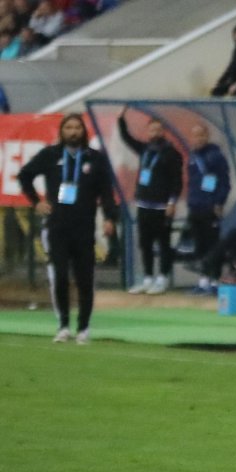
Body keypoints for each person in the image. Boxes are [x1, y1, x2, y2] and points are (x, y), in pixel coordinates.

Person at [17, 113, 117, 344]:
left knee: (85, 279)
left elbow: (106, 191)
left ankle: (83, 327)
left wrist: (110, 218)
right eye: (68, 127)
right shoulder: (50, 155)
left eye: (77, 128)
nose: (73, 132)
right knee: (60, 277)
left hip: (84, 227)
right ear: (61, 131)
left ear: (83, 131)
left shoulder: (95, 158)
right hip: (57, 227)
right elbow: (25, 175)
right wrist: (36, 201)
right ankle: (63, 325)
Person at [118, 109, 183, 295]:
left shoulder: (171, 153)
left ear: (164, 132)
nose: (155, 133)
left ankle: (162, 277)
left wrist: (172, 202)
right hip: (144, 204)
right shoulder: (145, 149)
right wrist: (121, 120)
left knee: (163, 242)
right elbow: (127, 138)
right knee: (145, 243)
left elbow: (177, 180)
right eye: (152, 130)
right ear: (148, 132)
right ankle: (147, 277)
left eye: (158, 130)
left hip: (162, 206)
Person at [184, 124, 231, 294]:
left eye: (201, 135)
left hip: (210, 207)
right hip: (195, 206)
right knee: (200, 244)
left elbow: (225, 183)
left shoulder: (216, 156)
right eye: (195, 136)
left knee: (213, 244)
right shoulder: (192, 157)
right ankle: (203, 280)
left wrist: (219, 202)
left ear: (207, 136)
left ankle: (215, 279)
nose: (198, 139)